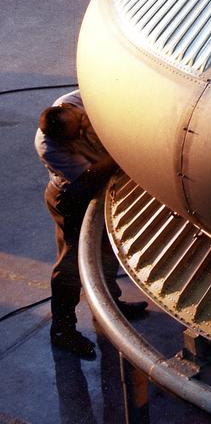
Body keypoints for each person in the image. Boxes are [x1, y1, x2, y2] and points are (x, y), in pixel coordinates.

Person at [36, 91, 147, 358]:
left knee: (108, 251)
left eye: (82, 118)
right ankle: (63, 329)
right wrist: (122, 148)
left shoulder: (74, 100)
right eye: (80, 128)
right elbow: (92, 174)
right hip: (72, 199)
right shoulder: (49, 147)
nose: (87, 122)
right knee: (72, 263)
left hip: (102, 191)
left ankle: (109, 306)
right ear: (67, 139)